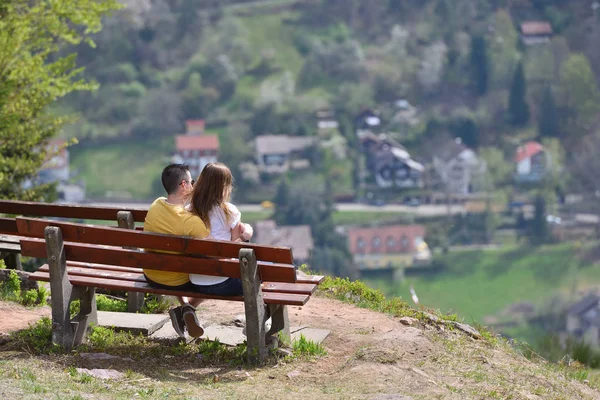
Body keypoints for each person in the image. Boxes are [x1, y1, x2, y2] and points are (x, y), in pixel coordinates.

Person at [143, 163, 209, 339]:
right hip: (177, 281)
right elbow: (210, 250)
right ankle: (188, 308)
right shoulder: (190, 221)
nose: (193, 186)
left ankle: (186, 309)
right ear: (184, 185)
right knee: (211, 277)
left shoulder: (156, 205)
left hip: (151, 274)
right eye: (192, 182)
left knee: (175, 261)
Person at [186, 162, 253, 295]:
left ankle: (189, 307)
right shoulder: (230, 211)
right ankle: (252, 315)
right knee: (259, 276)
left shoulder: (188, 211)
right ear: (224, 187)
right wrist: (246, 235)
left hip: (195, 281)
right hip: (224, 282)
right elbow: (234, 250)